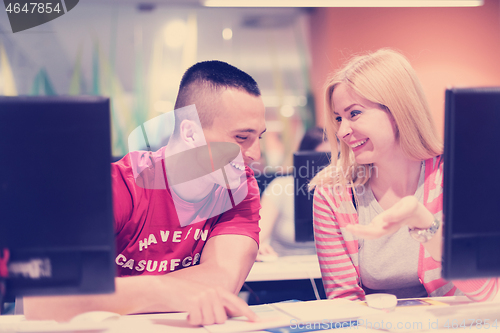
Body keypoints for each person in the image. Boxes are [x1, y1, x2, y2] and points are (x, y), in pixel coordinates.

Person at [23, 60, 267, 325]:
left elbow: (221, 281)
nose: (256, 155)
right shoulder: (116, 185)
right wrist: (159, 290)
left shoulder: (239, 187)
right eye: (242, 138)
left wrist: (116, 294)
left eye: (259, 138)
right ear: (189, 132)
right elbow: (43, 299)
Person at [310, 49, 498, 301]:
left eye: (354, 113)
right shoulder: (332, 193)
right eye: (337, 118)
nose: (342, 131)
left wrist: (423, 221)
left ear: (398, 110)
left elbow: (486, 292)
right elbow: (344, 302)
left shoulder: (456, 177)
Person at [258, 127, 329, 259]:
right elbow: (258, 236)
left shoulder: (349, 190)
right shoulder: (281, 186)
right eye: (320, 160)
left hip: (331, 268)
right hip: (285, 268)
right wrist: (258, 246)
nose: (328, 168)